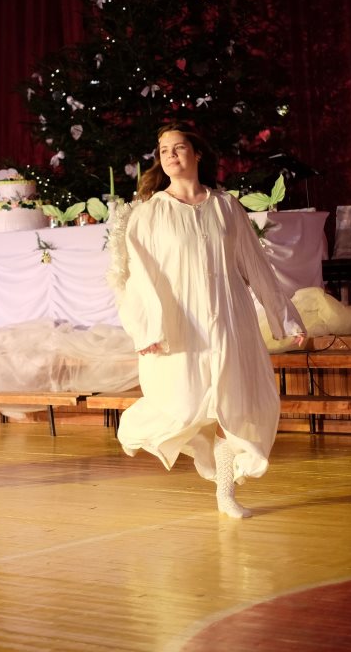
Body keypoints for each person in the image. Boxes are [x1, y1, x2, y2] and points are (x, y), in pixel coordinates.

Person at [107, 122, 307, 519]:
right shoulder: (150, 213)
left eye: (178, 147)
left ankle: (225, 493)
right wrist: (147, 329)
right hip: (182, 325)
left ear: (197, 154)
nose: (170, 155)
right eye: (164, 150)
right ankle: (146, 433)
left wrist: (285, 318)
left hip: (229, 318)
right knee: (183, 404)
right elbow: (138, 278)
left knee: (229, 404)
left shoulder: (225, 206)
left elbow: (256, 264)